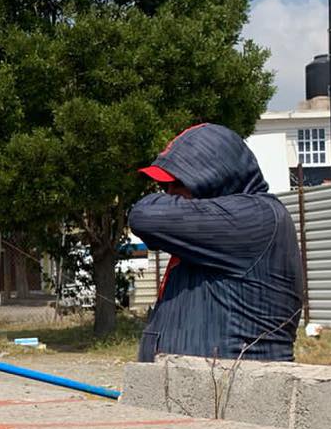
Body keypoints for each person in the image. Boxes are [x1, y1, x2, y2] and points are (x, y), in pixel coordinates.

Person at [128, 122, 303, 364]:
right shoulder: (218, 227)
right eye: (164, 187)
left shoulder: (256, 217)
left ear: (216, 176)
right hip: (199, 391)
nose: (169, 194)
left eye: (178, 184)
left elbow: (145, 216)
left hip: (235, 392)